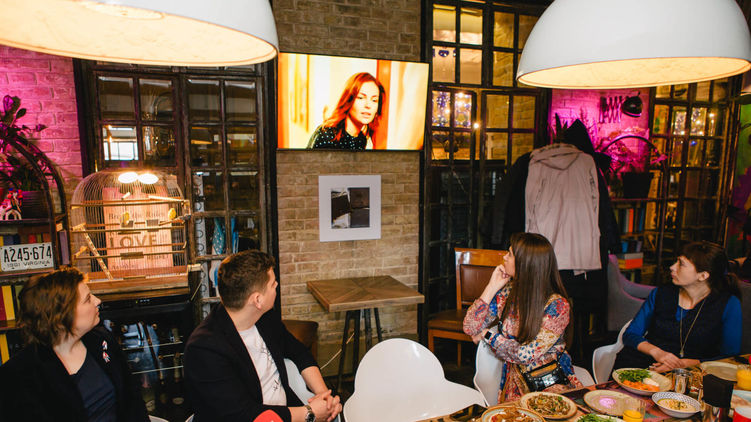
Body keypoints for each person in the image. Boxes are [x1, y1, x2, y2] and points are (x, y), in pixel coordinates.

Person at [184, 250, 341, 422]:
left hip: (288, 410)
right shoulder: (204, 350)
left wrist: (323, 396)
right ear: (257, 300)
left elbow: (299, 352)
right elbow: (243, 415)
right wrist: (309, 413)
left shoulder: (264, 317)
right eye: (273, 284)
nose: (277, 285)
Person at [0, 267, 149, 422]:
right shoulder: (18, 375)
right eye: (87, 299)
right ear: (61, 317)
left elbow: (133, 400)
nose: (98, 301)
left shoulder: (102, 340)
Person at [463, 232, 581, 403]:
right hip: (515, 384)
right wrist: (491, 287)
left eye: (510, 254)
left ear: (525, 264)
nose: (504, 257)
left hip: (550, 382)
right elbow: (470, 327)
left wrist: (488, 335)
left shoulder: (557, 306)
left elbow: (527, 354)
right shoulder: (507, 292)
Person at [613, 241, 742, 372]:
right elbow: (630, 334)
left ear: (703, 275)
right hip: (644, 362)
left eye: (681, 264)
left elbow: (729, 356)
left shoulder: (729, 304)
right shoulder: (661, 293)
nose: (672, 267)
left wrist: (688, 364)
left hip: (694, 373)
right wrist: (657, 353)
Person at [307, 72, 385, 150]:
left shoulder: (361, 140)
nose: (368, 105)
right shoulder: (327, 135)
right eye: (361, 98)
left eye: (374, 100)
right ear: (348, 100)